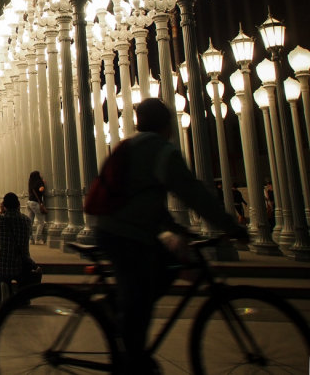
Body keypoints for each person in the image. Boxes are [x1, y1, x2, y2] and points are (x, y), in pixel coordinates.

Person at [95, 98, 248, 374]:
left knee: (158, 273)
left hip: (114, 227)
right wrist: (230, 226)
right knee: (141, 293)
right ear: (167, 125)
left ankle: (122, 316)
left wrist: (178, 231)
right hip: (124, 234)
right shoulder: (162, 152)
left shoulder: (131, 145)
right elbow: (195, 194)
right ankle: (132, 357)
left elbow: (147, 202)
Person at [0, 192, 39, 304]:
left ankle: (1, 289)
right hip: (21, 264)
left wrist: (1, 212)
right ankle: (20, 294)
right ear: (19, 204)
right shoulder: (26, 221)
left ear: (4, 205)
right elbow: (28, 234)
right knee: (24, 286)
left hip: (1, 265)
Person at [27, 171, 47, 244]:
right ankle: (38, 239)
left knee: (30, 222)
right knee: (41, 222)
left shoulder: (30, 183)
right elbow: (41, 189)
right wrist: (43, 185)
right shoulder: (39, 182)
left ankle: (30, 239)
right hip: (35, 203)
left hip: (29, 202)